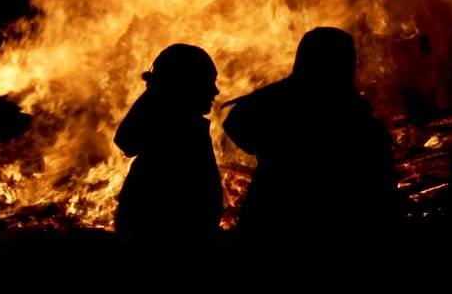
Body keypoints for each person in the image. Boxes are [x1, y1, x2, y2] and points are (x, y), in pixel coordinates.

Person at [223, 27, 399, 243]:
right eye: (348, 56)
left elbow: (236, 121)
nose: (353, 64)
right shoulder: (347, 111)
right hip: (315, 223)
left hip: (273, 216)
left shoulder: (283, 97)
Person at [112, 43, 223, 242]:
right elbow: (127, 140)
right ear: (185, 84)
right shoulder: (176, 128)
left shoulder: (182, 123)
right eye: (208, 81)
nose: (215, 91)